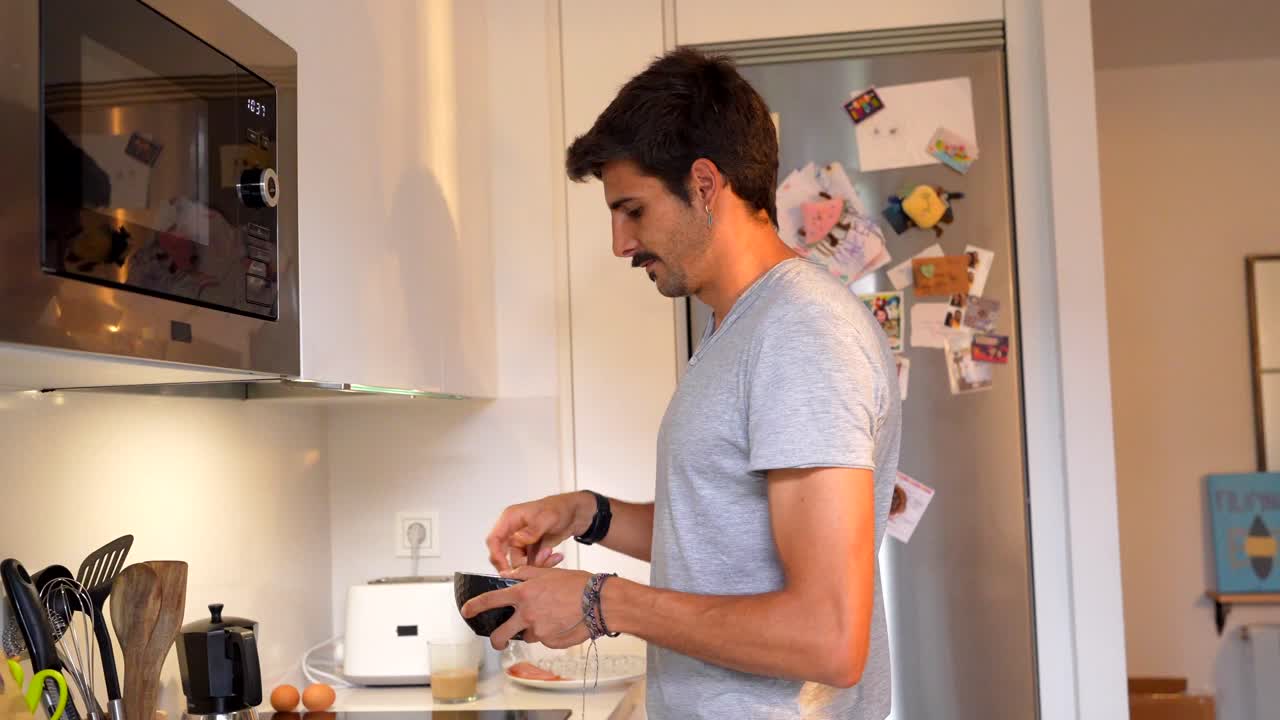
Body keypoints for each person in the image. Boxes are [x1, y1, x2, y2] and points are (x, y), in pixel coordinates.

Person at [461, 48, 901, 720]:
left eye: (632, 209)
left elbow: (828, 638)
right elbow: (730, 534)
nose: (619, 242)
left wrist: (598, 601)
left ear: (703, 184)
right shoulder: (739, 328)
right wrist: (588, 514)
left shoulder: (801, 333)